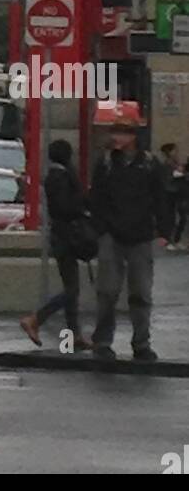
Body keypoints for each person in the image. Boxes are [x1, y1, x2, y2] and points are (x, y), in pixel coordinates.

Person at [88, 115, 172, 363]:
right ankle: (102, 341)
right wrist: (101, 228)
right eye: (115, 132)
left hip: (141, 236)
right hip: (112, 235)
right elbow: (97, 199)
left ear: (134, 137)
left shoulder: (149, 165)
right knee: (107, 291)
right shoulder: (105, 164)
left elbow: (161, 198)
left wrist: (164, 231)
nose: (116, 137)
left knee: (141, 293)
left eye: (123, 132)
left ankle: (141, 343)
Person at [19, 140, 92, 352]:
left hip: (62, 237)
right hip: (66, 237)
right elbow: (65, 207)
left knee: (72, 288)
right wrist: (82, 209)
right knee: (71, 290)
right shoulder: (60, 177)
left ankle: (73, 336)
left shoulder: (56, 175)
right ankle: (36, 319)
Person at [157, 143, 182, 248]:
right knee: (168, 217)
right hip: (168, 193)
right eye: (175, 150)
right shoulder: (167, 164)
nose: (177, 152)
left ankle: (172, 240)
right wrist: (180, 173)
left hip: (174, 192)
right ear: (170, 152)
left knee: (174, 217)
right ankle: (166, 240)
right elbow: (169, 178)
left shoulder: (174, 163)